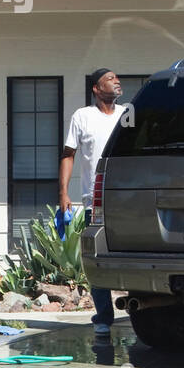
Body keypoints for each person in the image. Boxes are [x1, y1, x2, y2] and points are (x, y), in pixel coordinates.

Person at [60, 68, 127, 338]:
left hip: (126, 200)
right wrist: (63, 193)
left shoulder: (127, 115)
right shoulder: (82, 116)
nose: (117, 81)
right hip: (95, 201)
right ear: (96, 89)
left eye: (117, 78)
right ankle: (104, 316)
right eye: (110, 79)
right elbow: (68, 154)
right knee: (97, 259)